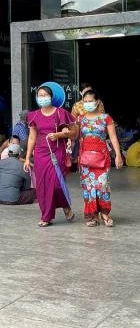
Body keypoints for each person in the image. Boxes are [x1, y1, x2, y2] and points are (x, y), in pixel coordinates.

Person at [24, 85, 77, 227]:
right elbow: (31, 138)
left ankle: (65, 206)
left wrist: (60, 134)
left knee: (56, 184)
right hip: (40, 153)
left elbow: (74, 133)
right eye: (39, 95)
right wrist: (28, 157)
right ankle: (46, 216)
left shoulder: (61, 113)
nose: (42, 98)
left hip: (57, 152)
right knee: (42, 186)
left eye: (45, 95)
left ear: (51, 97)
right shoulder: (33, 115)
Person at [77, 89, 123, 227]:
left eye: (90, 101)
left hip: (102, 157)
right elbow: (76, 137)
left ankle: (105, 213)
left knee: (102, 186)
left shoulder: (106, 118)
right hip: (85, 159)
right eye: (85, 102)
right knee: (89, 187)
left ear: (97, 102)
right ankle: (92, 215)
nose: (87, 104)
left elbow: (113, 137)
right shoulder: (80, 119)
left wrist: (118, 156)